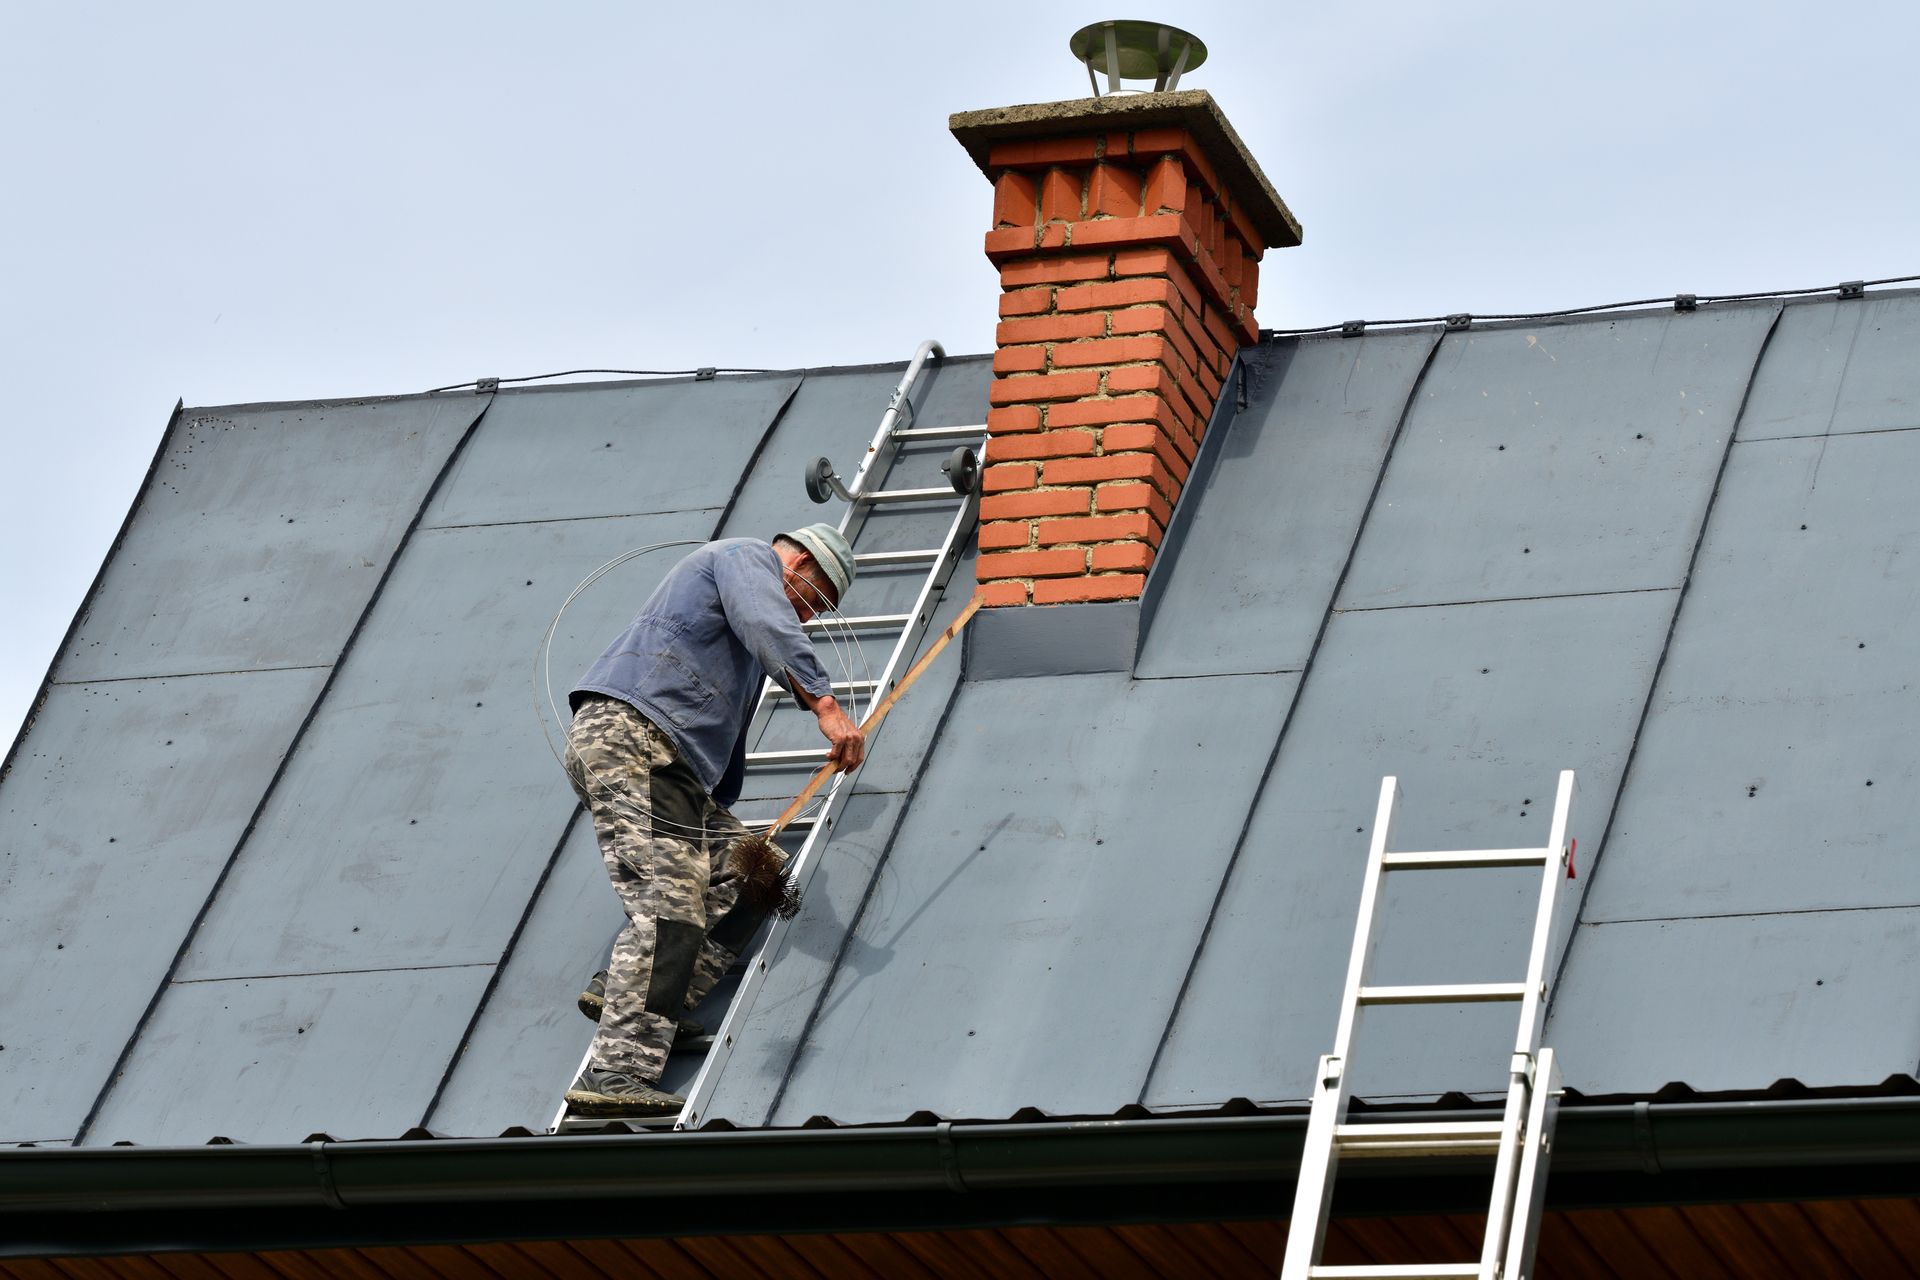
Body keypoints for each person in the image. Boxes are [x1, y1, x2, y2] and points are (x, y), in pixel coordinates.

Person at [561, 525, 865, 1117]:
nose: (804, 616)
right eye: (812, 597)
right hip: (635, 740)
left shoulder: (743, 607)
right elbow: (768, 622)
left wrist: (718, 798)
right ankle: (617, 1072)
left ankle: (643, 1001)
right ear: (797, 561)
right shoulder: (745, 558)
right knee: (671, 906)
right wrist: (824, 705)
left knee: (762, 875)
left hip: (671, 763)